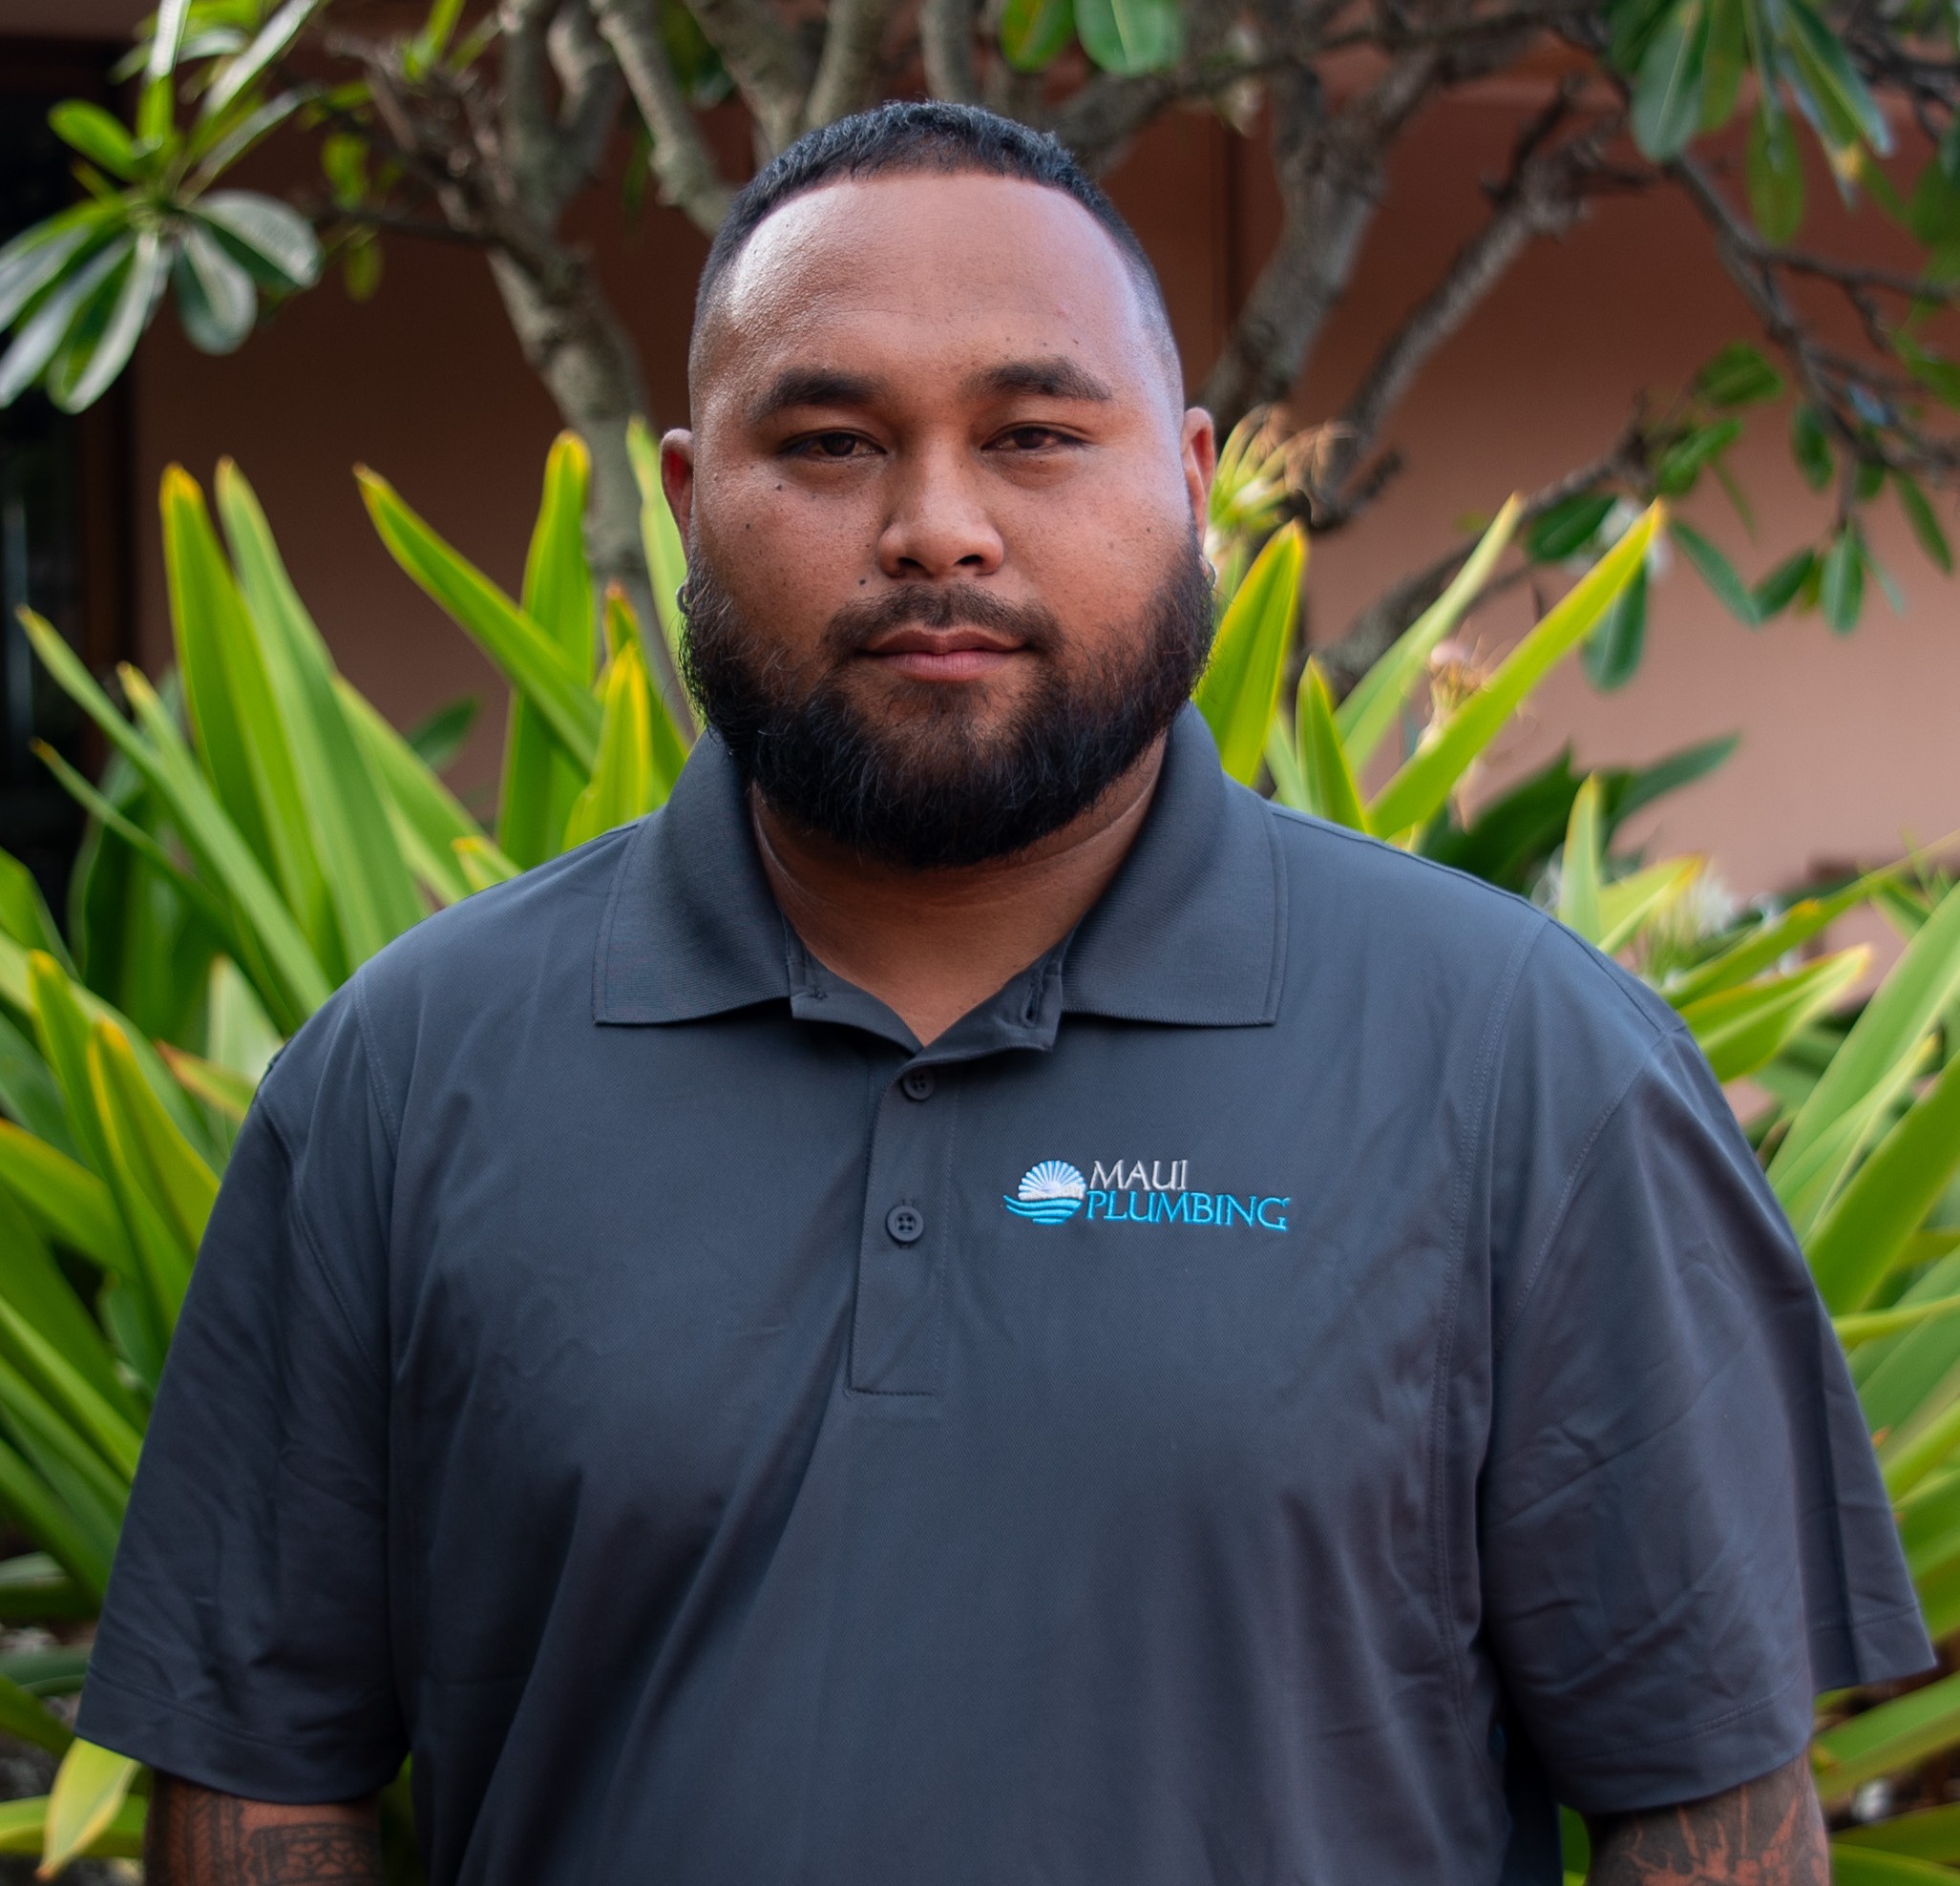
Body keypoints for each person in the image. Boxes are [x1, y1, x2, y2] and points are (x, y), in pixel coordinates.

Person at [81, 102, 1928, 1886]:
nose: (937, 528)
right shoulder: (406, 1080)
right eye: (828, 443)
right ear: (688, 502)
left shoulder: (1524, 1063)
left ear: (1189, 486)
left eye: (1035, 435)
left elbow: (1702, 1808)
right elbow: (263, 1777)